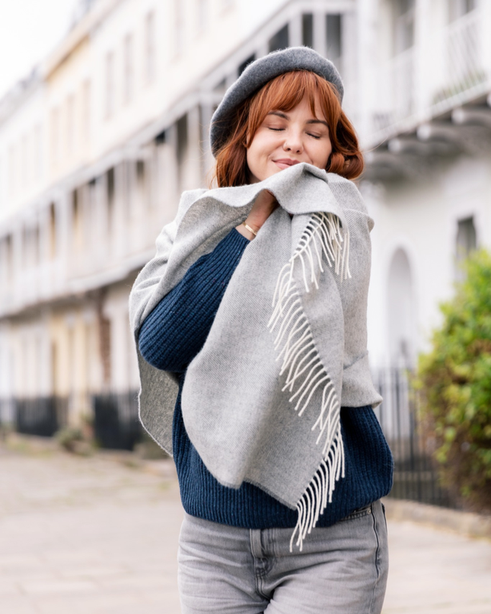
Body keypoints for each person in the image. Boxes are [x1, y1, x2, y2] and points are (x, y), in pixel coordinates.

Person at [129, 47, 393, 614]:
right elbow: (161, 343)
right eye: (277, 125)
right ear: (245, 136)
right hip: (214, 539)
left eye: (314, 131)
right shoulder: (194, 228)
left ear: (331, 148)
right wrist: (251, 223)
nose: (295, 142)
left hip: (332, 534)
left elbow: (297, 356)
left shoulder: (339, 224)